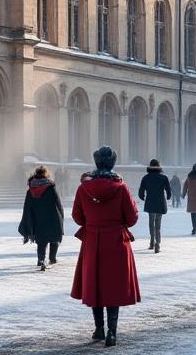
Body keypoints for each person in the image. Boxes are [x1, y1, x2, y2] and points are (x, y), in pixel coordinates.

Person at [71, 146, 140, 348]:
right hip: (116, 241)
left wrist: (92, 222)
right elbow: (132, 217)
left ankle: (98, 328)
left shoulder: (83, 188)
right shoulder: (121, 188)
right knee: (113, 286)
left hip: (92, 240)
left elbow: (77, 216)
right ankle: (112, 332)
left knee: (95, 284)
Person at [19, 165, 65, 270]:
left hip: (37, 218)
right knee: (54, 237)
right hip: (52, 217)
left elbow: (27, 206)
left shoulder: (30, 190)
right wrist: (61, 216)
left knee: (41, 240)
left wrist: (28, 221)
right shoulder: (51, 188)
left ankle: (41, 260)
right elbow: (58, 203)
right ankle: (52, 258)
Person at [137, 159, 171, 252]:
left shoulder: (146, 177)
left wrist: (142, 197)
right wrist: (168, 196)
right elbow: (168, 190)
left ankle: (152, 242)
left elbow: (141, 190)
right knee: (158, 225)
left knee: (151, 223)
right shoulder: (164, 178)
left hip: (150, 202)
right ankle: (157, 243)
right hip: (160, 203)